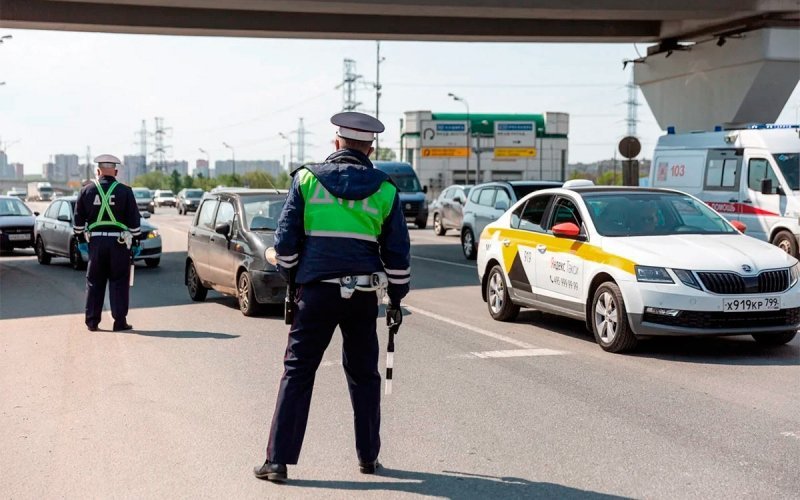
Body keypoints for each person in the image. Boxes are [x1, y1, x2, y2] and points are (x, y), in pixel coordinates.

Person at [254, 112, 411, 482]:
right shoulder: (386, 189)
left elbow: (285, 244)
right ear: (370, 147)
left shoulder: (307, 180)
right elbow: (398, 255)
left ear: (336, 143)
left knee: (297, 371)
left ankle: (277, 462)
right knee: (364, 376)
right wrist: (397, 299)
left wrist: (293, 276)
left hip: (316, 294)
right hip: (362, 296)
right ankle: (368, 458)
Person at [73, 154, 142, 332]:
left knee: (94, 281)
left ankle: (92, 322)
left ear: (98, 172)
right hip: (119, 243)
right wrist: (135, 241)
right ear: (116, 172)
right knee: (119, 281)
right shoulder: (125, 191)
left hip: (96, 243)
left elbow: (78, 223)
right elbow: (134, 221)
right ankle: (119, 322)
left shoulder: (85, 191)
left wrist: (81, 240)